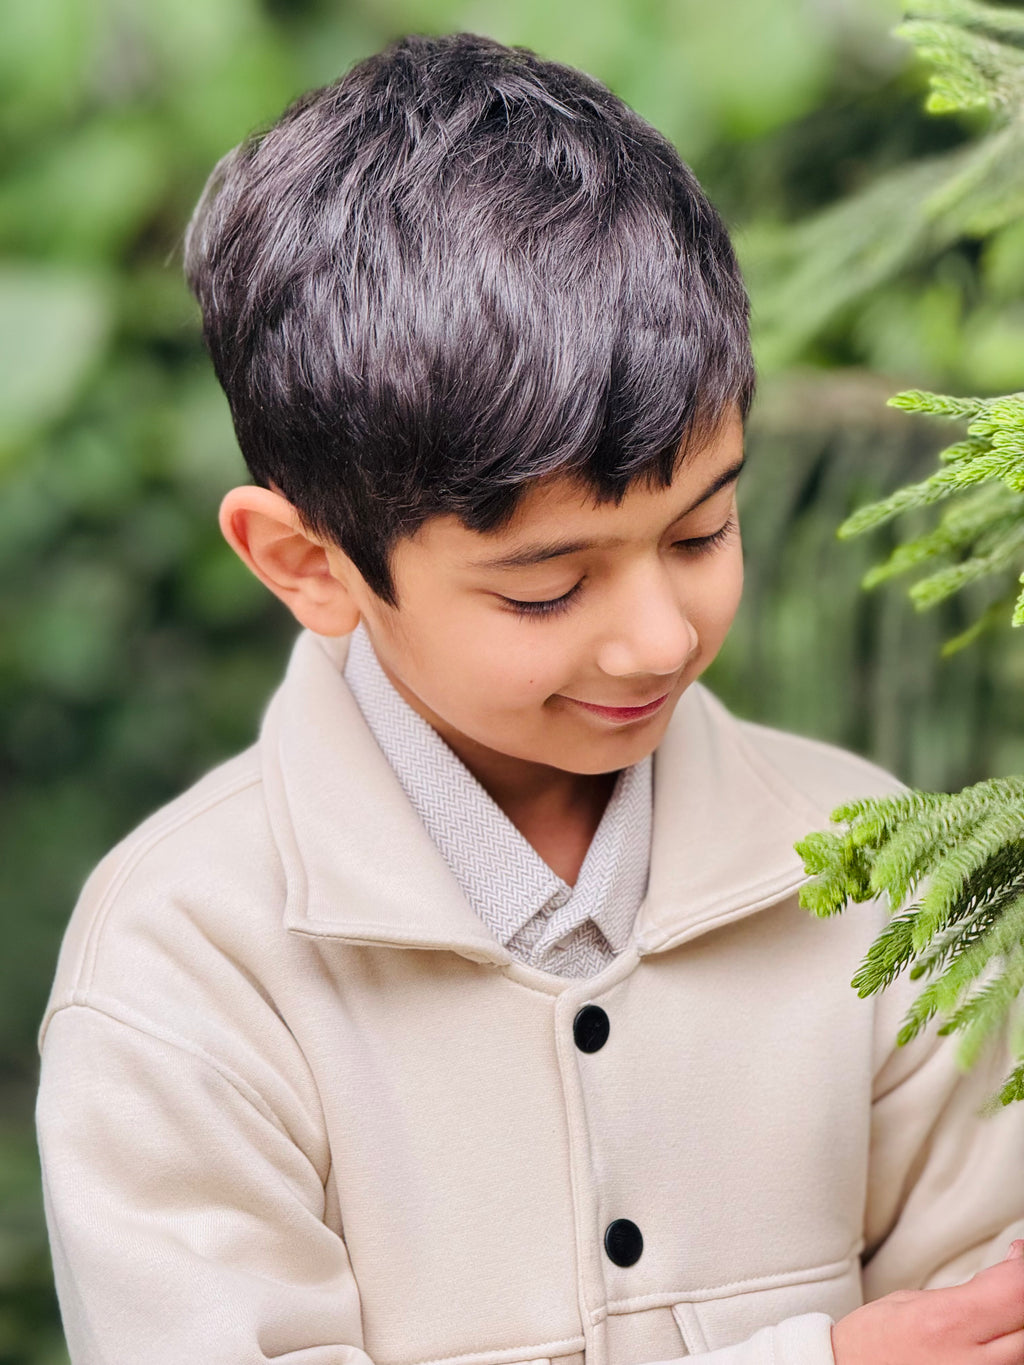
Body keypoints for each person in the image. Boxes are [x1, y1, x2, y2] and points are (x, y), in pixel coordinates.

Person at [35, 32, 1024, 1365]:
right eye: (546, 590)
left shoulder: (874, 864)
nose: (658, 637)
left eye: (701, 530)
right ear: (307, 563)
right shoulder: (184, 969)